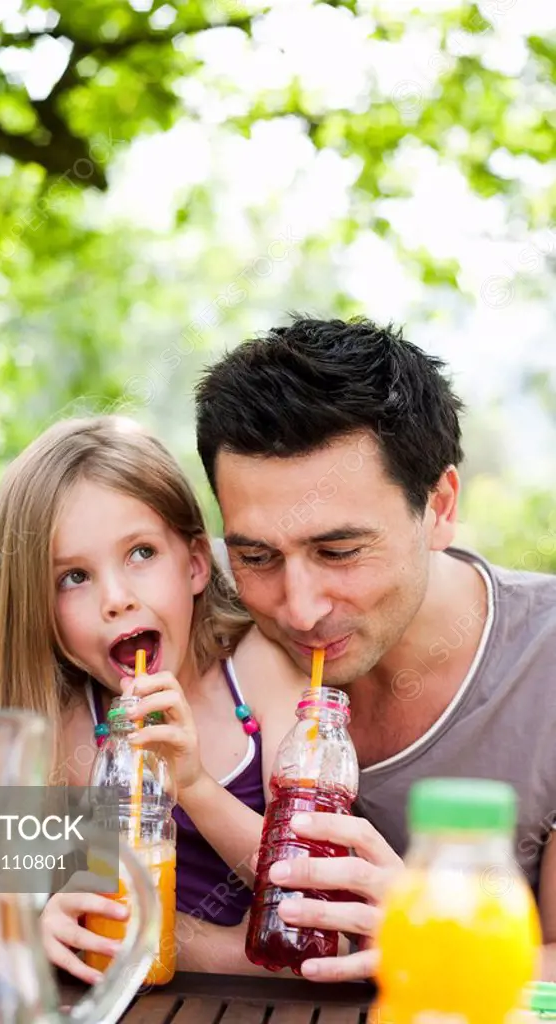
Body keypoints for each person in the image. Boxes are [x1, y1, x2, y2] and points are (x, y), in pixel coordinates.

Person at [193, 315, 556, 982]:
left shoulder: (546, 668)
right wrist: (14, 897)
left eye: (338, 551)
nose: (298, 608)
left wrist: (432, 931)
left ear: (439, 506)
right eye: (255, 555)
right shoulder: (196, 621)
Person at [0, 415, 303, 981]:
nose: (116, 599)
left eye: (141, 553)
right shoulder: (63, 728)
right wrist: (22, 926)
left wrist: (193, 787)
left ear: (194, 563)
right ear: (38, 611)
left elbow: (308, 897)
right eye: (73, 577)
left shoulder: (261, 671)